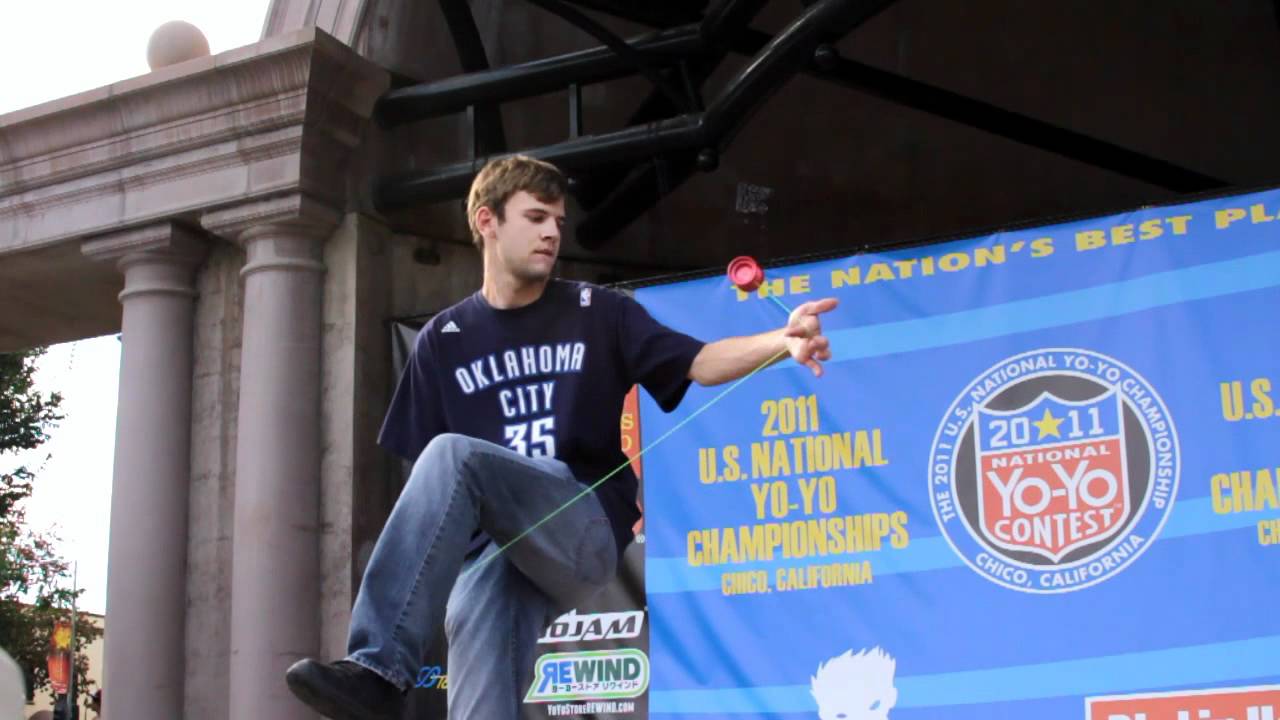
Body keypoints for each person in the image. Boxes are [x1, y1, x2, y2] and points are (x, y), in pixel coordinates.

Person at [285, 155, 837, 720]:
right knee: (477, 625)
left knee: (457, 456)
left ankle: (378, 668)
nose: (552, 232)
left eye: (558, 220)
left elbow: (698, 361)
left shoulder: (598, 312)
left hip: (580, 526)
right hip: (498, 552)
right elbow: (426, 493)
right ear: (486, 222)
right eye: (535, 217)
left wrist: (780, 341)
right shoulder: (442, 340)